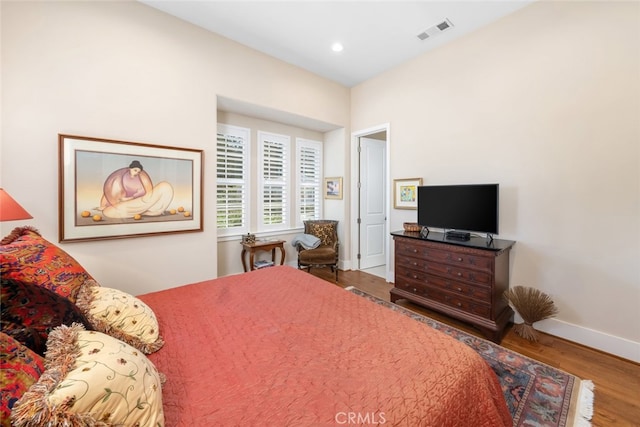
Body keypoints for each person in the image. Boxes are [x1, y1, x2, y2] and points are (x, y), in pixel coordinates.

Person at [99, 160, 173, 219]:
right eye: (135, 170)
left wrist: (131, 198)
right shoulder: (121, 177)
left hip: (142, 201)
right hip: (127, 205)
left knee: (165, 186)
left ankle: (148, 211)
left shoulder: (142, 177)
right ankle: (142, 212)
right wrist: (102, 205)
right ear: (130, 169)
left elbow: (149, 194)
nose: (137, 173)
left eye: (138, 172)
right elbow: (108, 191)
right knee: (108, 212)